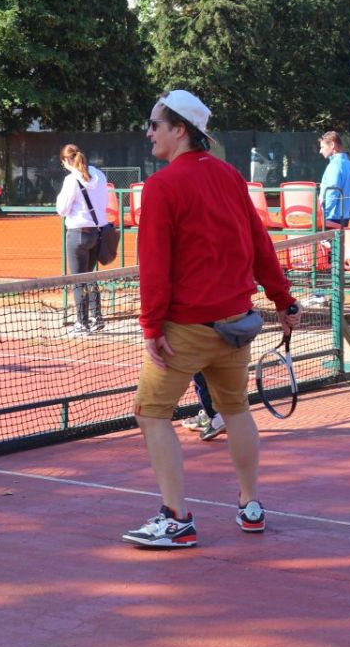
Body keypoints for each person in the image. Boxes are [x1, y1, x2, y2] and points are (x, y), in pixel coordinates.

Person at [122, 90, 301, 549]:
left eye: (155, 125)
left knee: (151, 413)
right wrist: (283, 300)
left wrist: (151, 326)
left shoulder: (161, 186)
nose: (149, 133)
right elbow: (260, 244)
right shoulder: (230, 177)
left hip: (186, 327)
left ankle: (176, 518)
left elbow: (154, 266)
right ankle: (251, 506)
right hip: (237, 322)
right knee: (236, 409)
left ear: (180, 129)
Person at [54, 143, 111, 334]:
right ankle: (97, 318)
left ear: (66, 160)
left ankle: (82, 323)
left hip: (78, 234)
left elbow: (61, 209)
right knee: (90, 276)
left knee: (79, 279)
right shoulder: (100, 175)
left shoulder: (71, 180)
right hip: (97, 233)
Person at [318, 131, 350, 229]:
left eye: (322, 147)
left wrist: (323, 215)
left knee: (326, 244)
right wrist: (349, 212)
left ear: (332, 145)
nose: (320, 151)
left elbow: (332, 193)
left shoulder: (334, 166)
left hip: (331, 218)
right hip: (345, 217)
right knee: (339, 244)